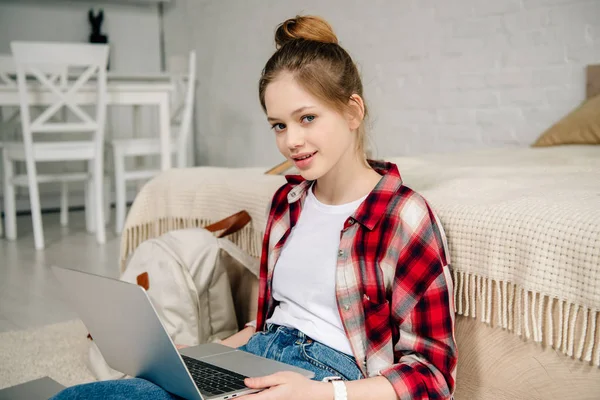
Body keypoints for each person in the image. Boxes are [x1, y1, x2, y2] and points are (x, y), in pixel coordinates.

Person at [52, 15, 457, 400]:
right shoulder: (288, 202)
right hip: (258, 355)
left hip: (325, 381)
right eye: (279, 125)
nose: (291, 141)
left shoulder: (404, 217)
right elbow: (271, 320)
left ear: (352, 111)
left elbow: (432, 376)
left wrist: (320, 393)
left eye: (307, 118)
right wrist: (198, 356)